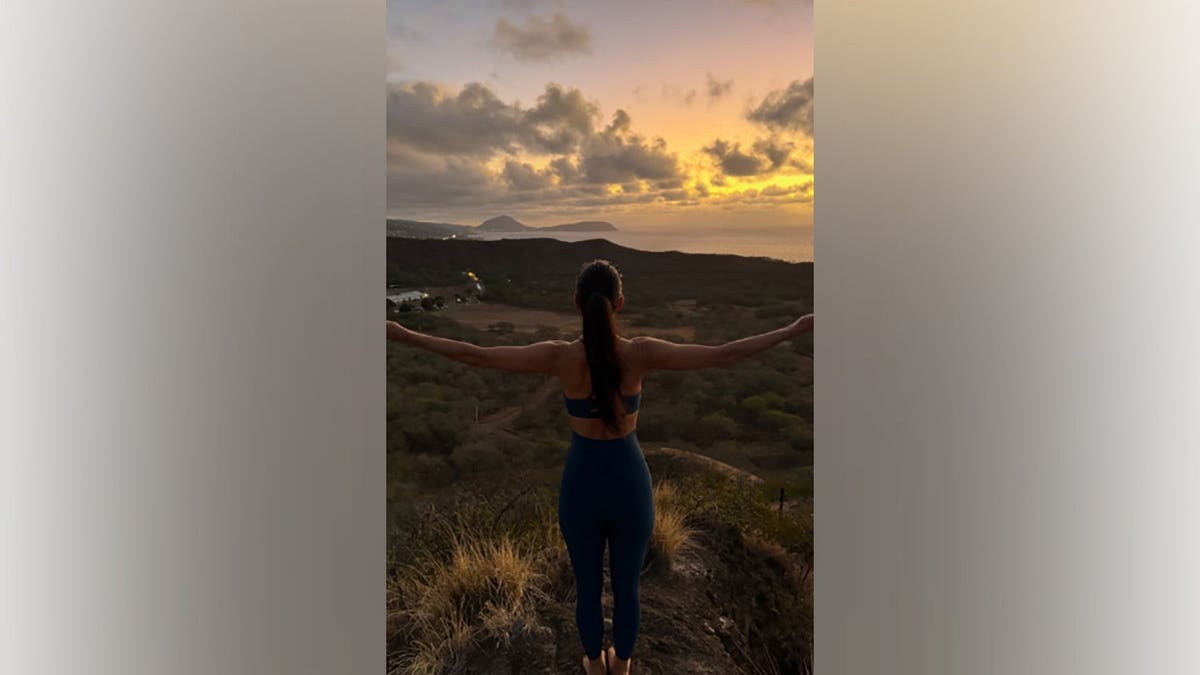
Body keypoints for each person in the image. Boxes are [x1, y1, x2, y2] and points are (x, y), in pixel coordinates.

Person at [386, 259, 814, 675]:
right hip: (629, 479)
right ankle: (621, 666)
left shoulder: (559, 357)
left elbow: (473, 354)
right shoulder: (642, 354)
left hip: (582, 481)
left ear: (576, 303)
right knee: (627, 588)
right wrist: (793, 329)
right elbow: (724, 354)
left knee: (587, 587)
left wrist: (403, 333)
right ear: (620, 303)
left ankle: (593, 665)